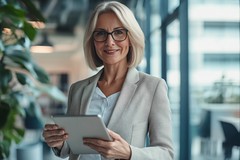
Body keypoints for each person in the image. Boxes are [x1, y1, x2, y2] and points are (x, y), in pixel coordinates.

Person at [42, 1, 174, 160]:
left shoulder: (152, 87)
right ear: (93, 40)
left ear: (130, 38)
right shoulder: (78, 89)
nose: (109, 42)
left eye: (118, 32)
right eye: (101, 33)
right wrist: (58, 142)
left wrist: (130, 153)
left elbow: (166, 153)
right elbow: (70, 148)